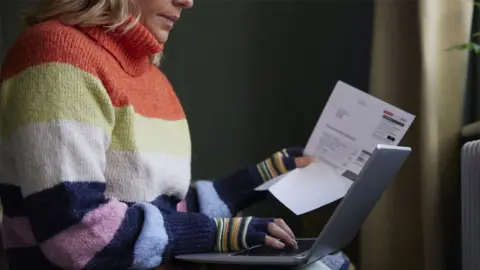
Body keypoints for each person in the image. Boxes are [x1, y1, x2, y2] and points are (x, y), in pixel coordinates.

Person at [0, 0, 354, 269]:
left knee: (329, 261)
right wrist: (221, 234)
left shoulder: (153, 80)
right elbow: (77, 233)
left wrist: (262, 176)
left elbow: (164, 211)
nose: (188, 1)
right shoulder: (55, 54)